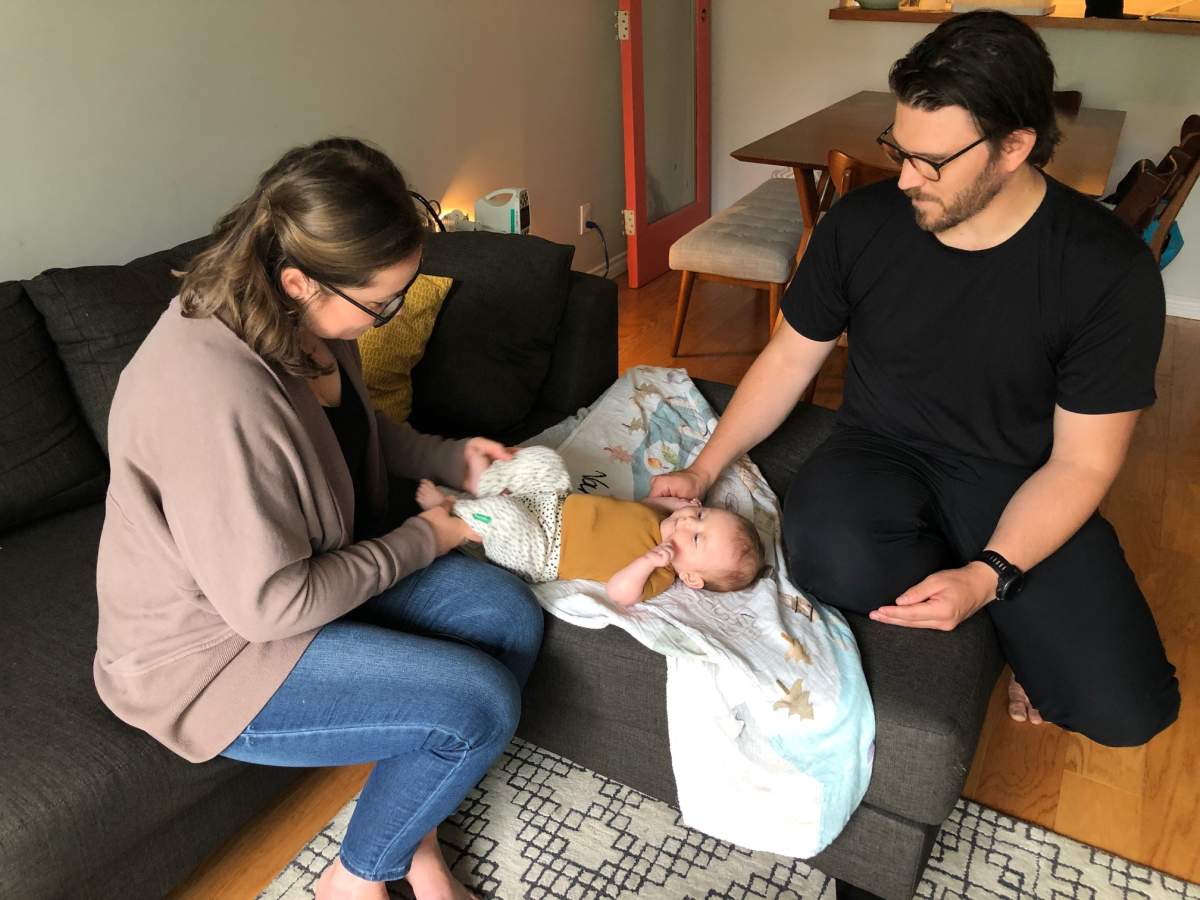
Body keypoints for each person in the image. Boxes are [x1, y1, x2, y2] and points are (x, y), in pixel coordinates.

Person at [652, 11, 1179, 747]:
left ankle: (1012, 618)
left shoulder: (1105, 272)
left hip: (1021, 476)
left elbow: (1083, 461)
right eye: (899, 150)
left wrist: (989, 577)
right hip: (880, 450)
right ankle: (1009, 612)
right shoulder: (862, 225)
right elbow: (788, 359)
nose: (904, 177)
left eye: (932, 162)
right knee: (826, 557)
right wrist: (705, 467)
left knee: (1129, 713)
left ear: (1016, 146)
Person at [94, 138, 543, 900]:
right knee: (479, 704)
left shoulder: (302, 321)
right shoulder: (216, 396)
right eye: (383, 302)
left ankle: (402, 840)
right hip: (215, 657)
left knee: (504, 612)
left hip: (307, 578)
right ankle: (355, 884)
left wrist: (447, 457)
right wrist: (430, 535)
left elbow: (346, 435)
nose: (390, 315)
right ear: (299, 279)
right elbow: (273, 607)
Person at [414, 446, 765, 606]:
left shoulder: (659, 573)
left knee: (504, 516)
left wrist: (648, 561)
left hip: (541, 549)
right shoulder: (660, 520)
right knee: (547, 461)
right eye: (701, 515)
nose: (690, 521)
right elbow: (645, 507)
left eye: (697, 537)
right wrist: (679, 505)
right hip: (552, 503)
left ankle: (453, 511)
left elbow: (619, 592)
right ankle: (483, 483)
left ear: (691, 577)